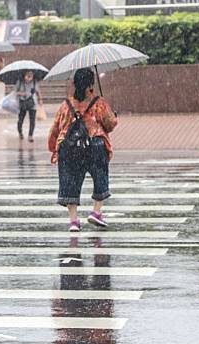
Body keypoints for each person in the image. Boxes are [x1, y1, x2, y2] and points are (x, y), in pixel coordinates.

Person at [48, 68, 118, 232]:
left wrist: (53, 148)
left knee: (70, 181)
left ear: (74, 84)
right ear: (90, 85)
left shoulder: (66, 105)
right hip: (94, 145)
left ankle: (73, 221)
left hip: (69, 147)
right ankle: (96, 211)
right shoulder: (98, 103)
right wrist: (113, 116)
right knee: (100, 176)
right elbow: (110, 124)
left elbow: (56, 128)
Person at [16, 70, 43, 142]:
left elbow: (38, 92)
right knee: (20, 120)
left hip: (32, 103)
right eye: (27, 75)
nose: (29, 77)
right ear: (24, 75)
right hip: (23, 102)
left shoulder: (34, 82)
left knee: (32, 120)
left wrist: (40, 100)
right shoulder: (20, 82)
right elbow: (15, 92)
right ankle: (20, 132)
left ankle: (30, 135)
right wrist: (22, 93)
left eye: (31, 74)